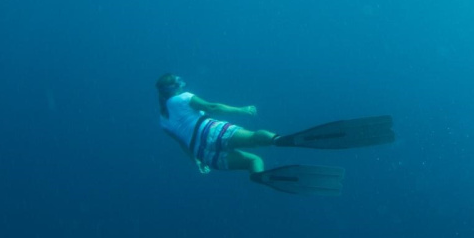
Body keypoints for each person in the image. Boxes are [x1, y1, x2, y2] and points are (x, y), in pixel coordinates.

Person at [156, 73, 394, 196]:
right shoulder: (183, 98)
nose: (183, 84)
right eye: (179, 82)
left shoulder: (163, 120)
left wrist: (197, 161)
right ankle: (281, 140)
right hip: (208, 131)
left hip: (202, 152)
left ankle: (260, 177)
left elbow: (182, 145)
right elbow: (213, 108)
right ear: (173, 88)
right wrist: (242, 109)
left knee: (254, 162)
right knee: (256, 141)